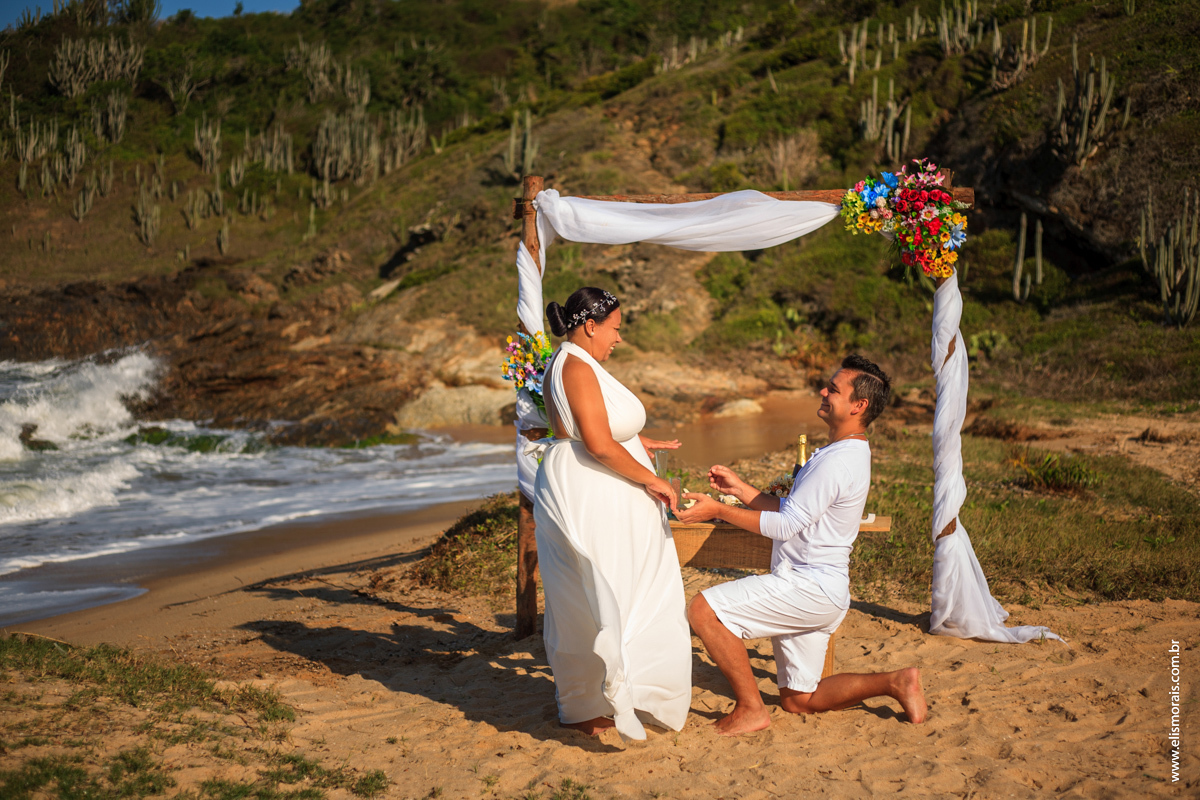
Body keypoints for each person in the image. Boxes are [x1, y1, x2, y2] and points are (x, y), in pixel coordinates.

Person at [676, 354, 927, 736]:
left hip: (807, 587)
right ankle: (895, 682)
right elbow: (793, 510)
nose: (823, 391)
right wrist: (741, 490)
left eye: (834, 389)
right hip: (823, 590)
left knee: (703, 611)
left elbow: (786, 525)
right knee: (799, 700)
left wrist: (717, 511)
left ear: (858, 405)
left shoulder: (837, 462)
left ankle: (750, 708)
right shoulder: (843, 453)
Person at [531, 287, 691, 741]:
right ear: (591, 325)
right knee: (598, 594)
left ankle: (599, 700)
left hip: (584, 483)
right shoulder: (577, 366)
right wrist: (651, 478)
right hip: (589, 492)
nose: (618, 338)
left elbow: (584, 432)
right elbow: (596, 444)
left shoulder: (571, 361)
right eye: (616, 329)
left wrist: (638, 444)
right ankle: (592, 704)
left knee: (598, 594)